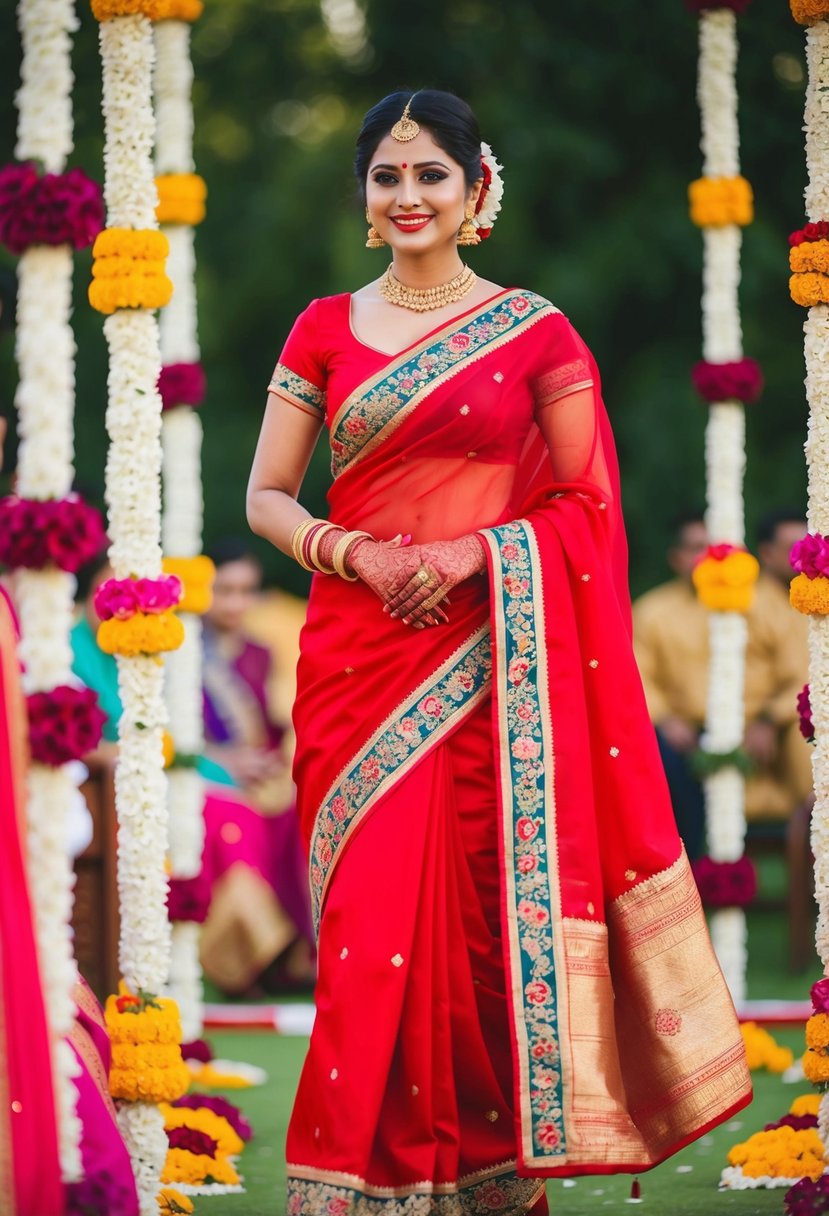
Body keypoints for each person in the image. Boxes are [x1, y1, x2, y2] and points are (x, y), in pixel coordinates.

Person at [247, 90, 751, 1214]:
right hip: (355, 662)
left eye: (431, 173)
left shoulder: (536, 332)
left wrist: (480, 555)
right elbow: (266, 494)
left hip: (492, 671)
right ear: (366, 199)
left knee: (478, 931)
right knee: (368, 930)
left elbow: (585, 500)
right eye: (387, 176)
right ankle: (350, 1186)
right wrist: (351, 553)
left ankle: (482, 1179)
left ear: (477, 191)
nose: (408, 195)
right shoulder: (322, 327)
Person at [633, 512, 812, 859]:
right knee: (655, 753)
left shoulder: (766, 603)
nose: (708, 558)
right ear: (677, 558)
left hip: (757, 735)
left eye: (715, 548)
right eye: (697, 548)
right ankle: (683, 876)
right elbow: (637, 675)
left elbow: (797, 674)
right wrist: (665, 718)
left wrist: (766, 721)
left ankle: (816, 877)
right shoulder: (653, 611)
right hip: (682, 736)